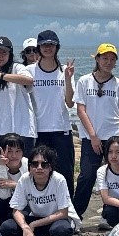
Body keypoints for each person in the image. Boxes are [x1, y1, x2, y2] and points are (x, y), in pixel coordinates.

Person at [74, 43, 119, 216]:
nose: (108, 62)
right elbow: (81, 110)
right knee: (87, 176)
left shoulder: (118, 84)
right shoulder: (84, 81)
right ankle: (75, 215)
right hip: (91, 137)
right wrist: (93, 136)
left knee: (113, 177)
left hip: (113, 137)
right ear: (97, 59)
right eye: (104, 58)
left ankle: (110, 215)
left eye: (112, 59)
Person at [0, 144, 81, 236]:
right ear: (29, 167)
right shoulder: (25, 179)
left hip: (59, 219)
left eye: (44, 164)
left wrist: (33, 225)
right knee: (7, 227)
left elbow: (63, 213)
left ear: (51, 167)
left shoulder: (58, 180)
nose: (39, 167)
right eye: (34, 164)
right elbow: (16, 210)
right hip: (37, 217)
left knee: (61, 230)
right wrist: (25, 227)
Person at [29, 30, 76, 198]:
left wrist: (68, 79)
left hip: (61, 129)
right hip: (38, 130)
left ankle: (68, 208)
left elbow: (70, 103)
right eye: (44, 45)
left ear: (57, 47)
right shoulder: (29, 70)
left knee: (65, 173)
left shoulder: (65, 70)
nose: (47, 48)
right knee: (39, 173)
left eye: (51, 44)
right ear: (38, 47)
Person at [0, 35, 36, 166]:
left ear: (10, 54)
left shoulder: (17, 68)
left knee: (23, 171)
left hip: (21, 130)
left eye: (4, 52)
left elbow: (29, 80)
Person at [0, 134, 27, 224]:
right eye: (9, 151)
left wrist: (16, 185)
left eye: (18, 151)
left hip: (25, 204)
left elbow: (33, 191)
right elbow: (3, 196)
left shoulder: (29, 164)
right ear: (0, 151)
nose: (14, 155)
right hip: (3, 206)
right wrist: (2, 166)